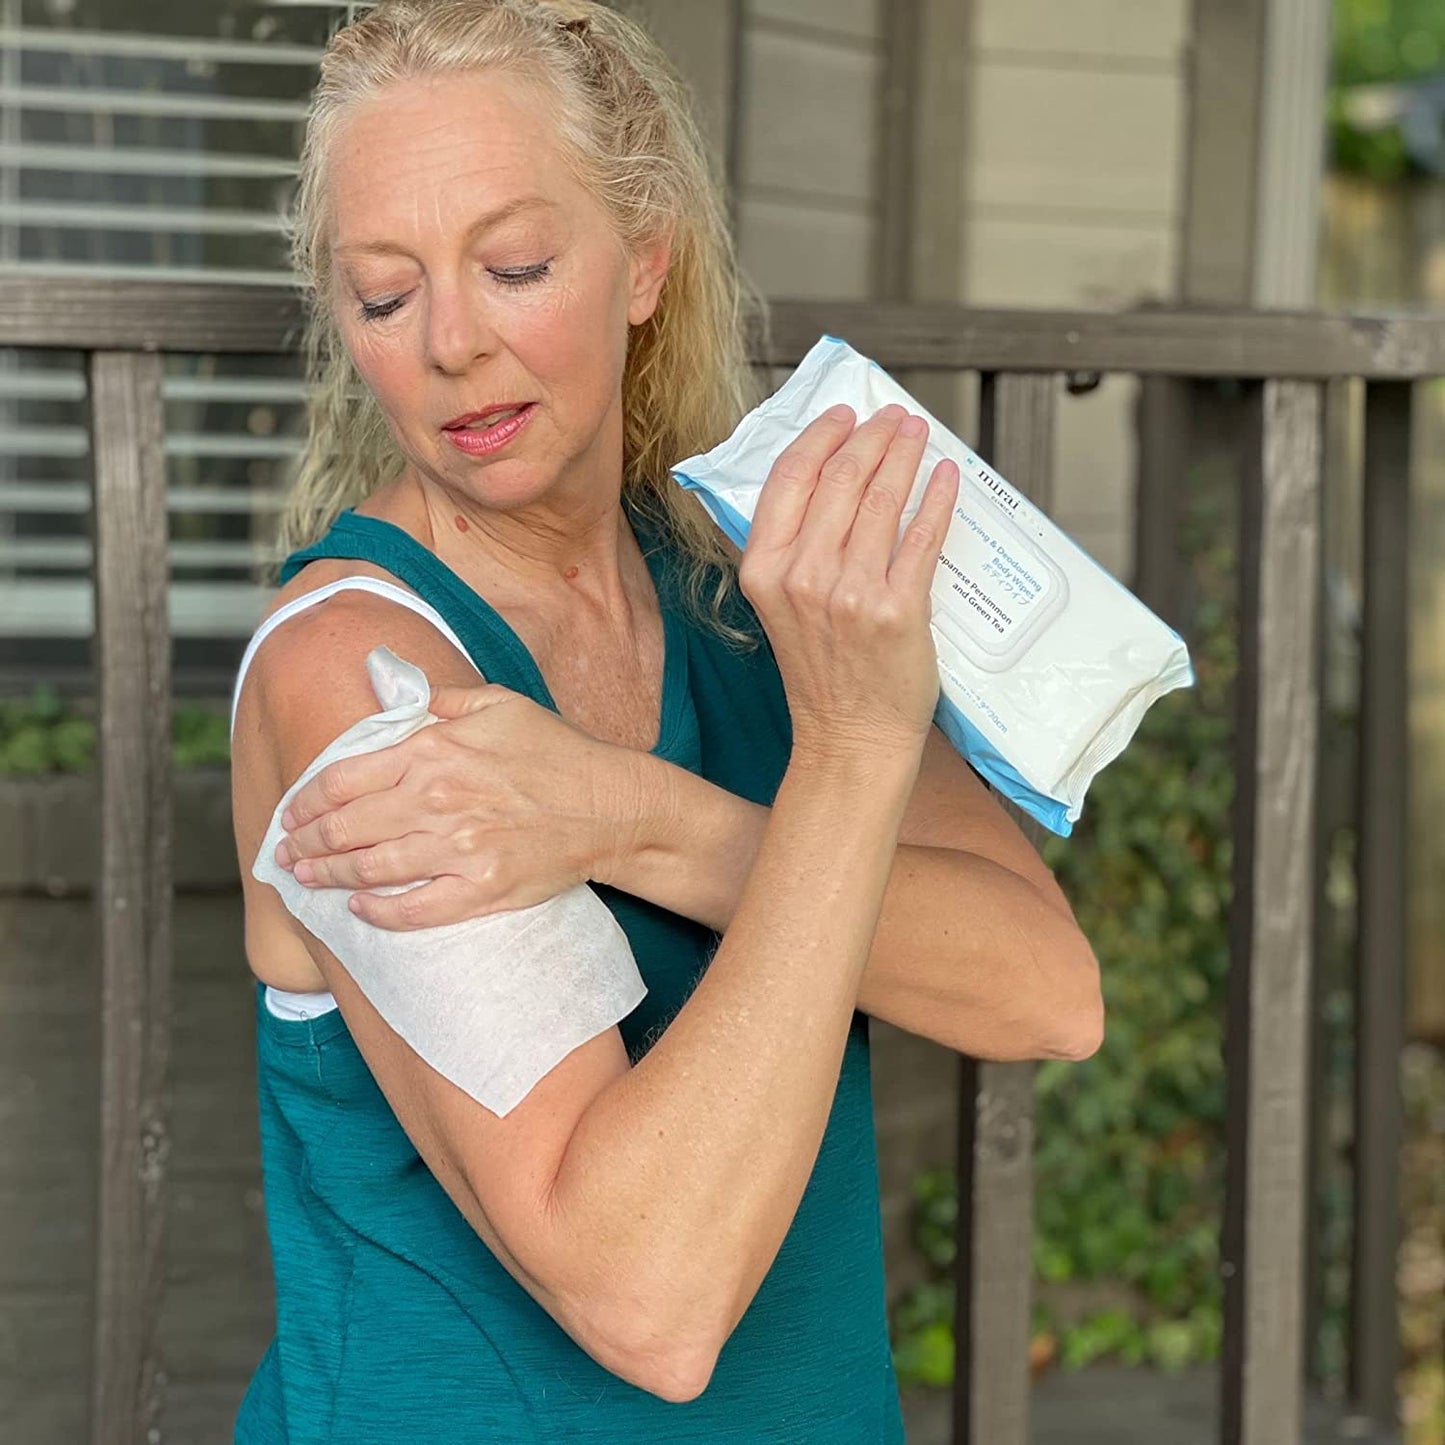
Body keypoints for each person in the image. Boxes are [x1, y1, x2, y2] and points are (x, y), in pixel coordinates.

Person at [229, 1, 1103, 1438]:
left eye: (514, 265)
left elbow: (1042, 989)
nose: (450, 342)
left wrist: (637, 814)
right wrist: (850, 756)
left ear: (645, 260)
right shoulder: (358, 677)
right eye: (383, 293)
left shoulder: (743, 588)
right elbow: (648, 1294)